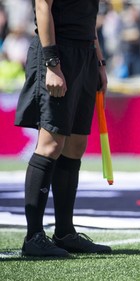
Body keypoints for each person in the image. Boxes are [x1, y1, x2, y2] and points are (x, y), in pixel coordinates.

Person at [14, 0, 111, 257]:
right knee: (51, 144)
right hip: (56, 54)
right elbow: (42, 7)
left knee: (76, 145)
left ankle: (65, 232)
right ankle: (33, 236)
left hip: (85, 55)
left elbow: (89, 20)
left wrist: (99, 63)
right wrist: (52, 63)